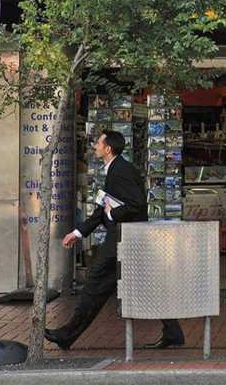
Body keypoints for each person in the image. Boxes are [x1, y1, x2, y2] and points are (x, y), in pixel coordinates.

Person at [45, 131, 184, 350]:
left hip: (124, 239)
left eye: (98, 143)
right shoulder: (113, 169)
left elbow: (136, 205)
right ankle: (174, 332)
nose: (95, 146)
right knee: (148, 287)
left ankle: (67, 334)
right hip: (126, 239)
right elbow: (101, 209)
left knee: (95, 284)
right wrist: (78, 233)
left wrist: (112, 215)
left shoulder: (122, 171)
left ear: (108, 148)